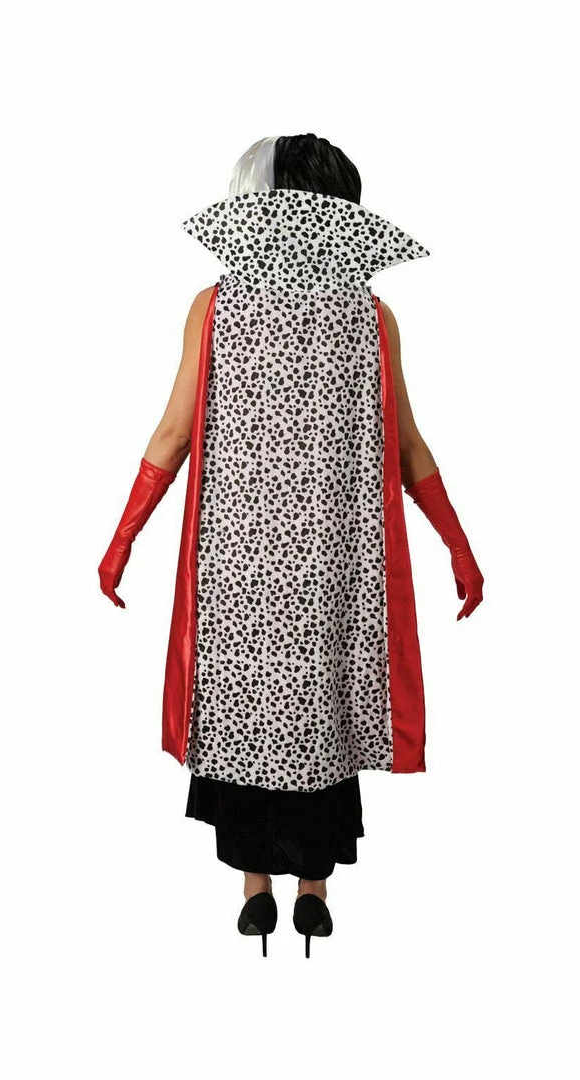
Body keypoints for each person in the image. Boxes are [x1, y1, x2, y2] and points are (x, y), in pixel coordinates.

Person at [98, 134, 484, 959]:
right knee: (323, 711)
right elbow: (407, 447)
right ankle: (313, 891)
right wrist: (456, 543)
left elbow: (173, 434)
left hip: (236, 566)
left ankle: (255, 892)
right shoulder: (371, 314)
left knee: (242, 711)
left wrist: (122, 537)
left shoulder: (215, 305)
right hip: (333, 568)